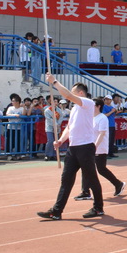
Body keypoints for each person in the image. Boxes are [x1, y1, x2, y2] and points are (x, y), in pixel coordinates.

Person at [37, 74, 104, 220]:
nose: (69, 96)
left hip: (85, 147)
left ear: (80, 93)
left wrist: (54, 82)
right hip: (73, 148)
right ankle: (56, 211)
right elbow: (69, 127)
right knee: (66, 179)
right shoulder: (74, 108)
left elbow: (67, 95)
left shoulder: (87, 103)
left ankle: (98, 208)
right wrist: (61, 140)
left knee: (91, 178)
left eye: (73, 92)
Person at [74, 98, 126, 201]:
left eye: (93, 105)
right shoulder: (90, 118)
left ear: (98, 106)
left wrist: (95, 146)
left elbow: (102, 134)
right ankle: (85, 191)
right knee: (86, 168)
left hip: (100, 148)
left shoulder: (102, 118)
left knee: (101, 169)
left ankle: (118, 184)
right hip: (89, 147)